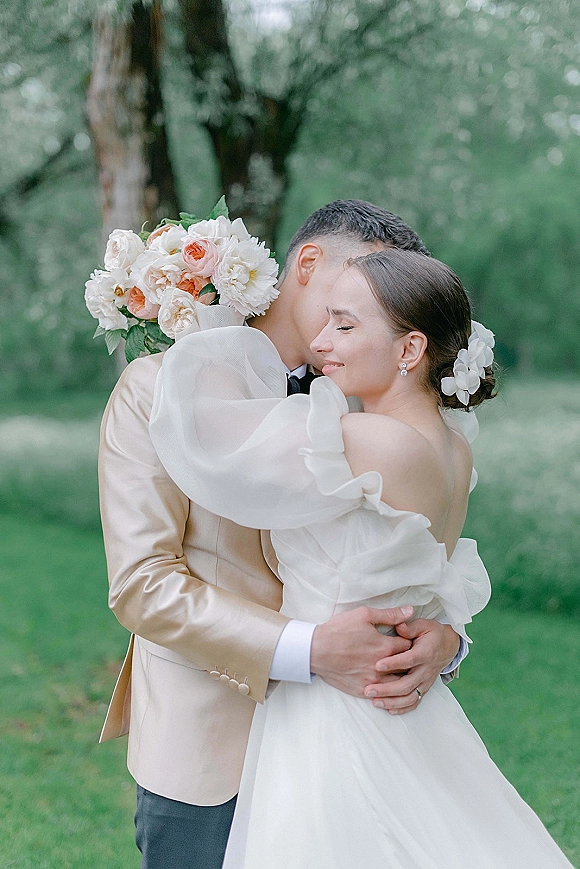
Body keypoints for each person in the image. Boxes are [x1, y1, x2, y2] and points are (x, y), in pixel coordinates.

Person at [150, 247, 573, 868]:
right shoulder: (454, 447)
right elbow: (437, 582)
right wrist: (449, 639)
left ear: (409, 351)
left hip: (337, 706)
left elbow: (206, 431)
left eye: (345, 326)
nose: (320, 341)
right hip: (400, 703)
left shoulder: (370, 442)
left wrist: (205, 306)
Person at [99, 202, 471, 869]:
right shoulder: (161, 389)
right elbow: (143, 586)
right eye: (360, 279)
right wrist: (311, 647)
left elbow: (418, 548)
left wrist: (445, 641)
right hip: (209, 752)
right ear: (307, 263)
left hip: (350, 748)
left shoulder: (373, 400)